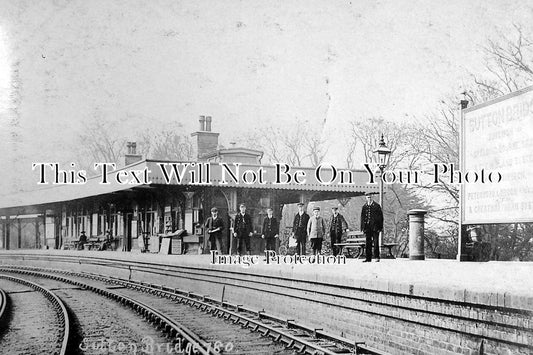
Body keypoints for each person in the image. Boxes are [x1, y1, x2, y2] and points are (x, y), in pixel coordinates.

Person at [360, 192, 383, 262]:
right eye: (367, 197)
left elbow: (381, 218)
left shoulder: (377, 206)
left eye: (370, 197)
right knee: (368, 243)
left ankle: (376, 257)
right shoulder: (364, 207)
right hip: (367, 227)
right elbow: (362, 218)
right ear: (366, 198)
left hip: (375, 227)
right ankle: (368, 258)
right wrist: (362, 227)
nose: (369, 198)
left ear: (372, 197)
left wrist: (380, 227)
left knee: (376, 242)